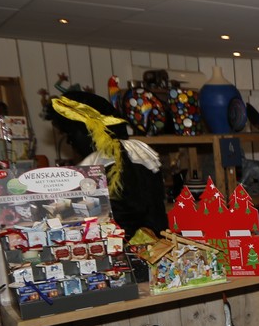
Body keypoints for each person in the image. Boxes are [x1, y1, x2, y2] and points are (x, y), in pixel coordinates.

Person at [43, 92, 169, 238]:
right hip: (153, 239)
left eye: (71, 135)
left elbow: (125, 214)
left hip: (127, 244)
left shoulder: (109, 160)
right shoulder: (136, 153)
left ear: (88, 130)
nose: (69, 142)